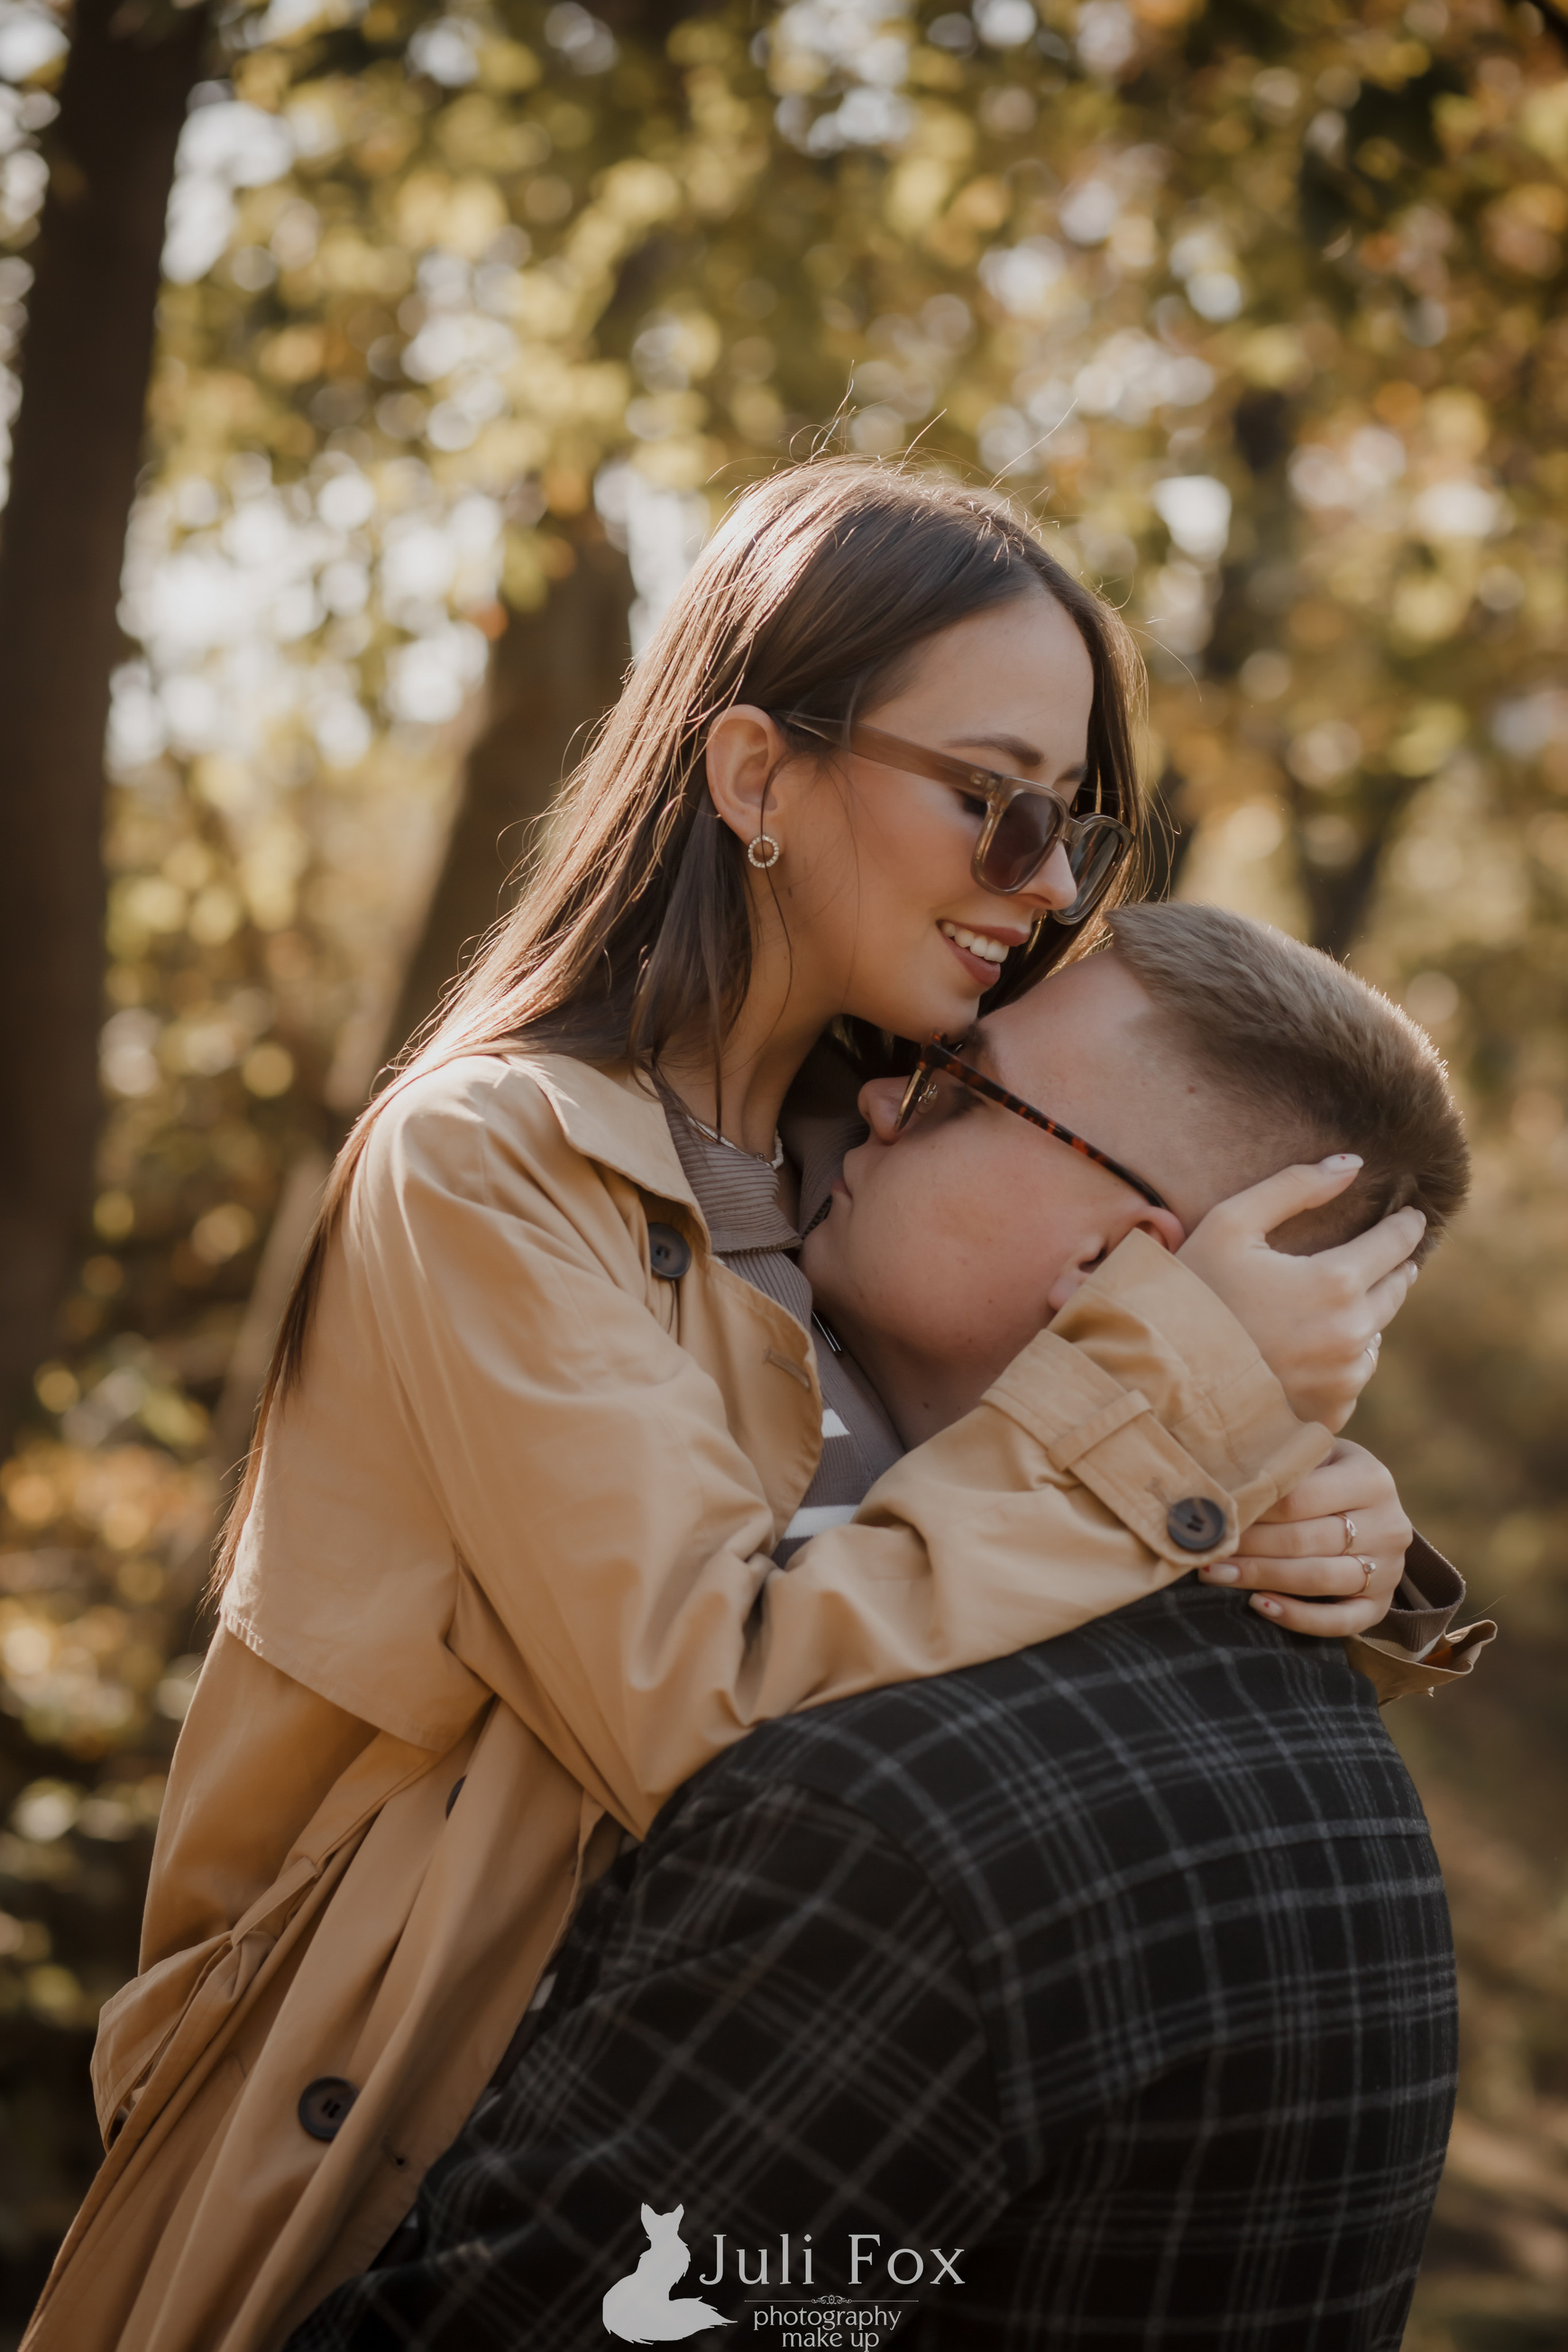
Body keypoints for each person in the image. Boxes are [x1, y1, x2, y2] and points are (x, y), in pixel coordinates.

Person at [24, 467, 1431, 2352]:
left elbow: (1053, 1543)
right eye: (993, 797)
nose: (1043, 883)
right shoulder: (496, 1168)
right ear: (757, 774)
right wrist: (1174, 1408)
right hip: (390, 2140)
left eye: (1078, 825)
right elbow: (702, 1710)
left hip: (725, 2126)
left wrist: (1309, 1497)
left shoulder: (877, 1163)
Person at [282, 903, 1490, 2352]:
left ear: (1131, 1268)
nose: (871, 1095)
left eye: (953, 1087)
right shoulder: (1332, 1744)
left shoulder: (896, 1814)